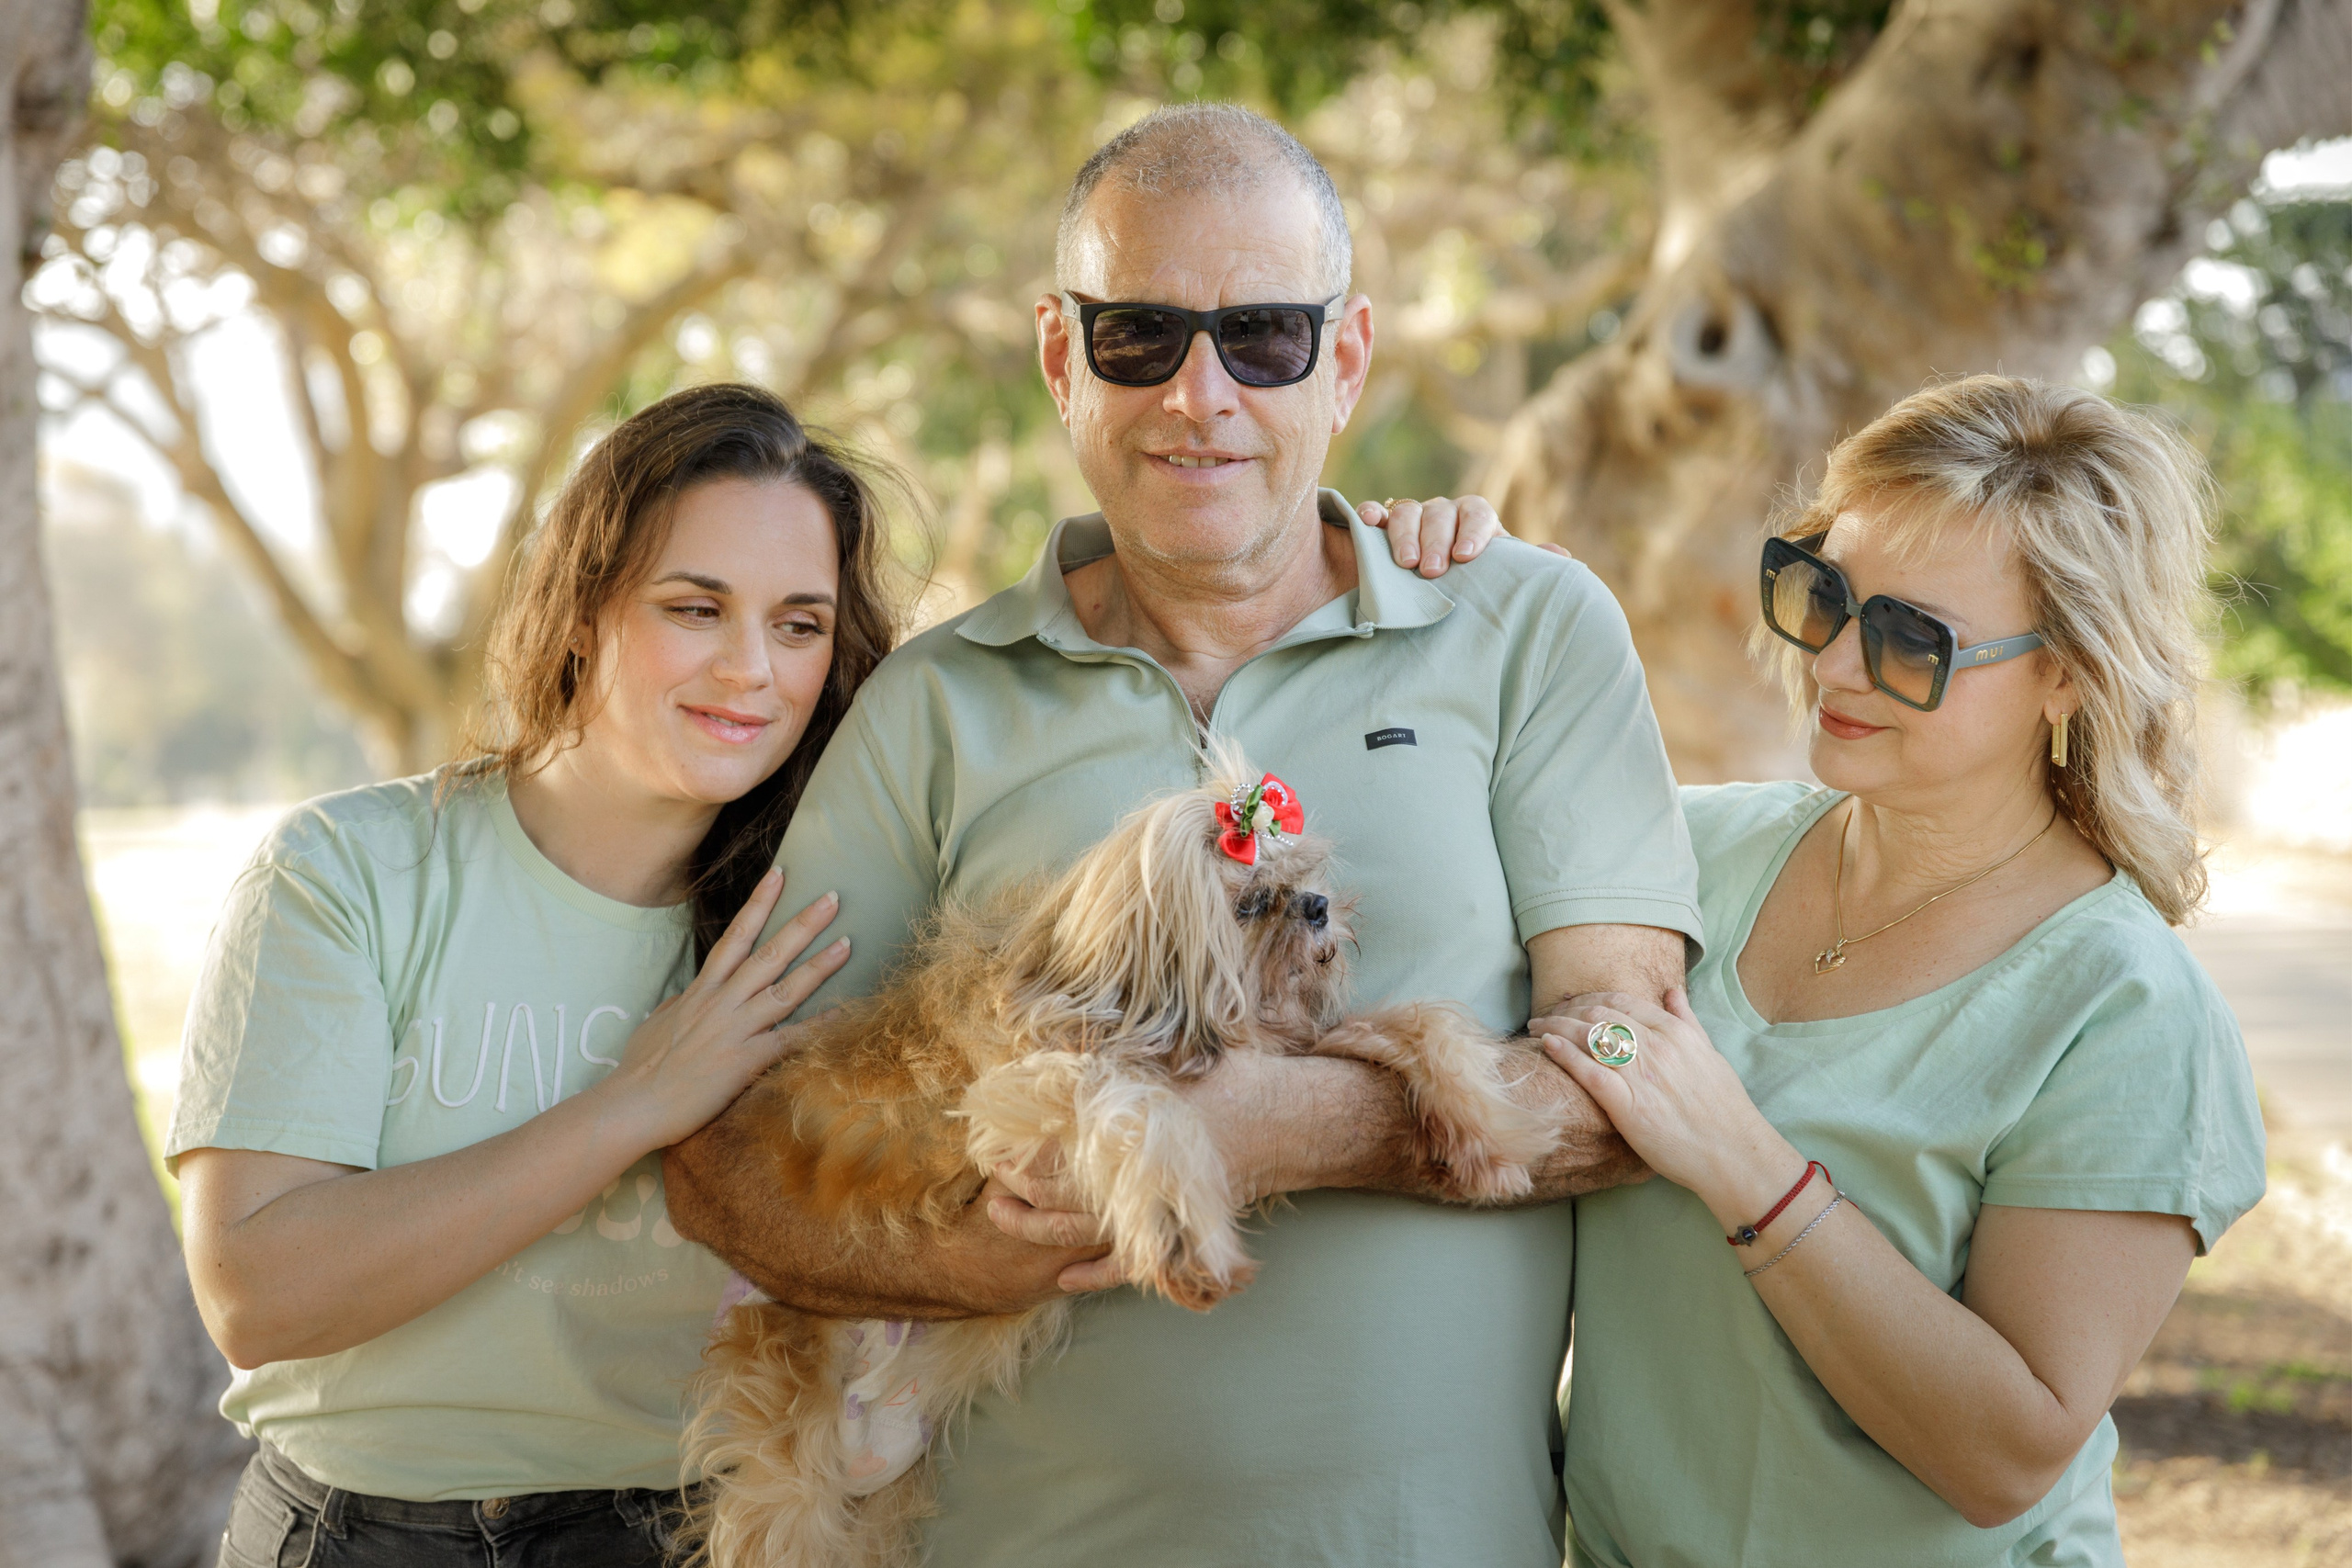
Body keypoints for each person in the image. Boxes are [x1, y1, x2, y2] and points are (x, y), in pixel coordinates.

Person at [165, 375, 1498, 1565]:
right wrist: (634, 1107)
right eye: (695, 609)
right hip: (375, 1529)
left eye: (800, 625)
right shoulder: (353, 873)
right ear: (580, 607)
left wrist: (1354, 539)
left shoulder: (832, 904)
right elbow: (257, 1295)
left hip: (713, 1523)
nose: (750, 669)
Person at [663, 104, 1702, 1568]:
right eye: (1138, 336)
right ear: (1059, 359)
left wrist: (1248, 1130)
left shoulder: (1524, 625)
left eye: (1264, 337)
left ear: (1346, 359)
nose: (1197, 396)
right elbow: (724, 1159)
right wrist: (988, 1251)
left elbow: (1639, 1082)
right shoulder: (937, 704)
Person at [1538, 376, 2267, 1567]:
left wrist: (1738, 1157)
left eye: (1912, 640)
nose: (1833, 665)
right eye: (1825, 595)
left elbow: (2004, 1458)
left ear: (2067, 673)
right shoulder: (1678, 856)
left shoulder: (2125, 1010)